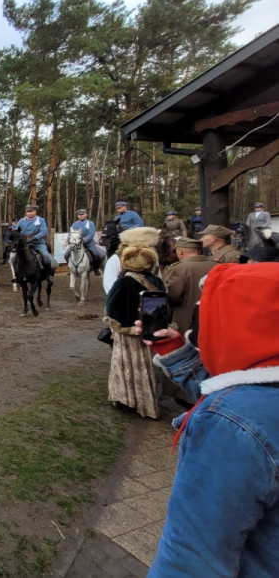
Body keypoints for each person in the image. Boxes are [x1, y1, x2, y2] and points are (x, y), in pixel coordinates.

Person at [143, 262, 279, 576]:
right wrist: (174, 349)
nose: (197, 330)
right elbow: (237, 388)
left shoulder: (227, 424)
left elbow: (191, 558)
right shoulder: (260, 391)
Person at [103, 240, 165, 419]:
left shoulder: (123, 282)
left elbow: (111, 307)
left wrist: (118, 325)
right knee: (146, 366)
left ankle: (126, 400)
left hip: (126, 332)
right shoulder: (156, 281)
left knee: (125, 365)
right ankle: (147, 402)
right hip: (149, 330)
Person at [164, 237, 215, 334]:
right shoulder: (217, 265)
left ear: (180, 252)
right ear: (199, 251)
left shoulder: (178, 268)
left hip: (186, 320)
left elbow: (173, 296)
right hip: (212, 317)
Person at [103, 226, 160, 295]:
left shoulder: (152, 259)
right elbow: (109, 283)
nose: (152, 248)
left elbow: (158, 278)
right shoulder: (116, 259)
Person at [16, 204, 56, 281]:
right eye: (28, 211)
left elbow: (44, 231)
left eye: (31, 211)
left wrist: (34, 238)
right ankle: (17, 275)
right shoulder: (21, 221)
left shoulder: (41, 220)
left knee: (46, 257)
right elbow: (17, 231)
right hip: (25, 244)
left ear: (35, 211)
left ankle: (48, 275)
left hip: (38, 243)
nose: (29, 213)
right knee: (15, 257)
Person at [63, 209, 104, 275]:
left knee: (96, 254)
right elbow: (71, 233)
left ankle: (96, 268)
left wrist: (83, 240)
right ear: (77, 216)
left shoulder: (90, 223)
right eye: (79, 215)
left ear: (86, 215)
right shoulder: (75, 224)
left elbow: (91, 234)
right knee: (66, 255)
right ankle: (71, 268)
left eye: (82, 214)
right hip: (76, 243)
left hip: (88, 243)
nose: (81, 216)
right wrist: (67, 241)